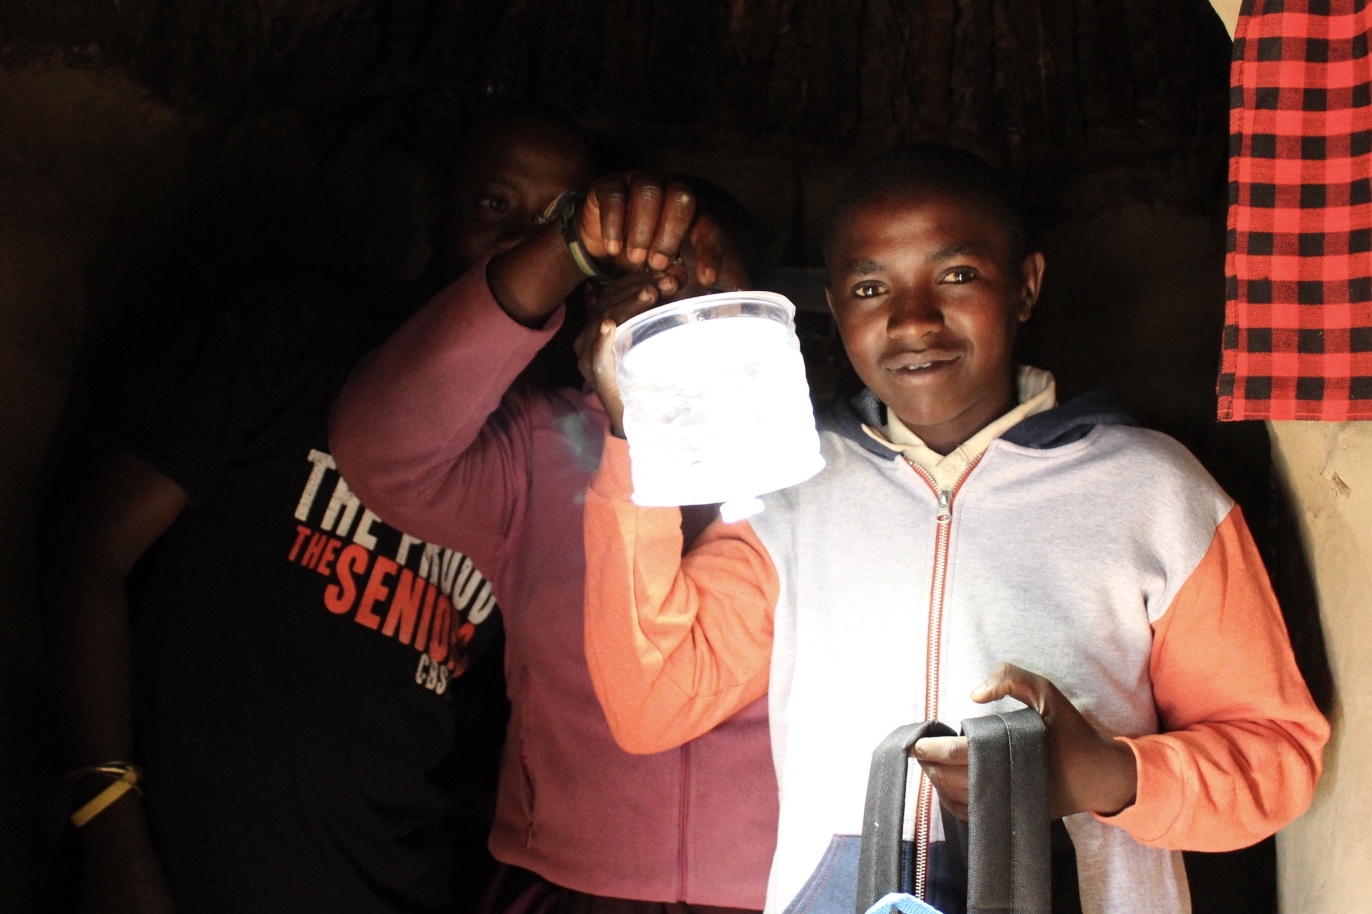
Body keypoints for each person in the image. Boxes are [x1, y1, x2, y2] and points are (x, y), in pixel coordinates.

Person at [576, 145, 1330, 914]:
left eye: (957, 275)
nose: (912, 319)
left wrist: (1105, 775)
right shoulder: (794, 495)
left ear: (1026, 286)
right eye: (871, 287)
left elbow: (1277, 761)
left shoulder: (1154, 491)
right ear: (835, 313)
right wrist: (631, 433)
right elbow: (655, 701)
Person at [43, 105, 594, 914]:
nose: (521, 243)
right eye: (492, 204)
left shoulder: (544, 446)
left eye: (557, 221)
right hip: (178, 868)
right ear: (438, 207)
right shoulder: (296, 331)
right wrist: (108, 823)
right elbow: (90, 551)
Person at [329, 173, 778, 914]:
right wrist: (569, 242)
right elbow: (379, 451)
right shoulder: (540, 448)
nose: (673, 305)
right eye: (637, 285)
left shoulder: (816, 472)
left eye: (705, 282)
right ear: (586, 328)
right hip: (563, 888)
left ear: (759, 313)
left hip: (776, 894)